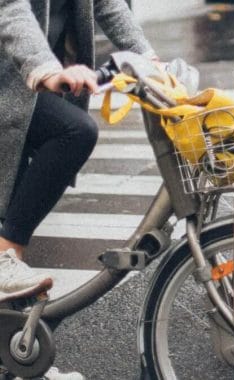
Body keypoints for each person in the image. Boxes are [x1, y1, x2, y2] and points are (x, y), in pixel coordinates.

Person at [0, 0, 156, 378]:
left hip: (33, 88)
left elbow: (109, 4)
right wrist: (45, 67)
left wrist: (148, 58)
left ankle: (17, 356)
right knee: (74, 132)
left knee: (11, 217)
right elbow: (10, 7)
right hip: (15, 83)